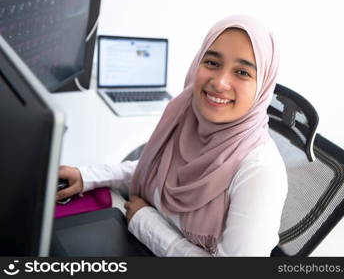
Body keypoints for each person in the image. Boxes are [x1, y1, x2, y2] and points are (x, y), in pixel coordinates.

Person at [57, 15, 288, 256]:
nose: (220, 82)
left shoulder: (261, 172)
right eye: (212, 63)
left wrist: (145, 223)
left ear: (263, 86)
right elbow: (155, 171)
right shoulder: (186, 116)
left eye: (242, 72)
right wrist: (88, 176)